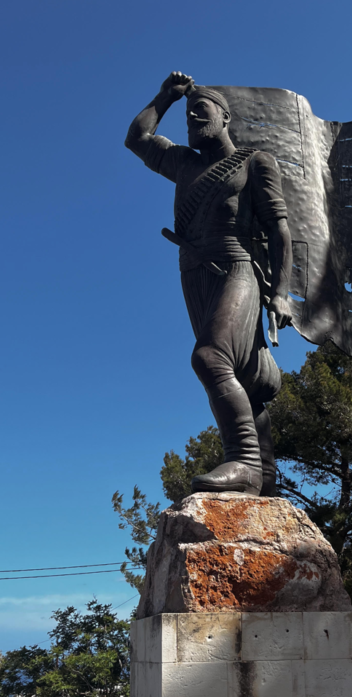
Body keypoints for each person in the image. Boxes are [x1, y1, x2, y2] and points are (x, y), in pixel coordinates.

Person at [125, 71, 294, 496]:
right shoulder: (184, 163)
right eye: (188, 115)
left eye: (202, 111)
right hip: (193, 274)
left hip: (236, 266)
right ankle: (268, 481)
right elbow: (138, 138)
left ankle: (246, 461)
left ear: (225, 118)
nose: (193, 119)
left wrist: (281, 292)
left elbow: (279, 230)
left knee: (209, 357)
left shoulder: (255, 162)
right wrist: (164, 97)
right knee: (242, 375)